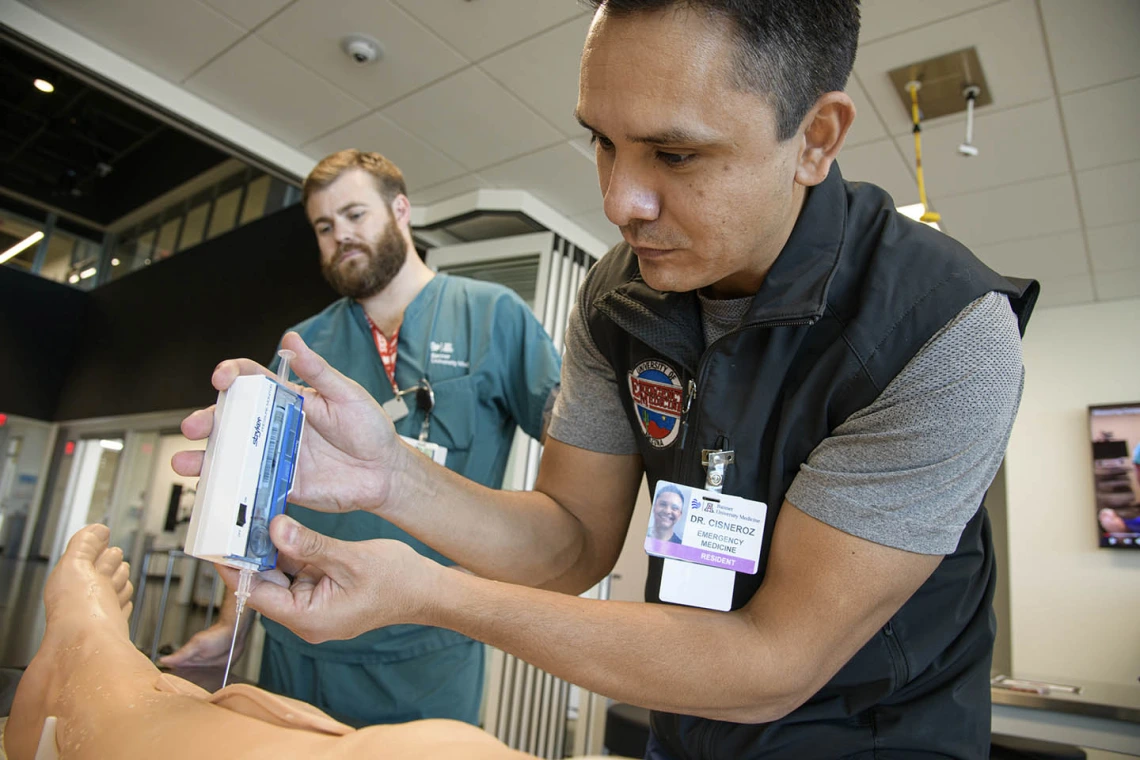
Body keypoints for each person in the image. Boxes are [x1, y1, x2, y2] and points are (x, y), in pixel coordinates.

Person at [174, 1, 1040, 757]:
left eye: (676, 155)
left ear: (814, 139)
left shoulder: (944, 337)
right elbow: (569, 542)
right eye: (602, 141)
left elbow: (771, 663)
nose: (620, 201)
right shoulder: (623, 291)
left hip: (870, 742)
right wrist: (393, 478)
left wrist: (430, 592)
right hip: (686, 726)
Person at [161, 150, 563, 728]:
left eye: (354, 214)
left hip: (425, 655)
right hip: (296, 645)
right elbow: (268, 498)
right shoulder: (305, 343)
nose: (340, 236)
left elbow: (576, 459)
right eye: (324, 227)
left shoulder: (492, 316)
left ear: (400, 209)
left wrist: (514, 565)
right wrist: (235, 622)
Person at [0, 524, 532, 760]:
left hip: (422, 668)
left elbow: (570, 527)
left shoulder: (499, 326)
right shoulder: (307, 342)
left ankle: (87, 672)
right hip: (294, 659)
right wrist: (236, 621)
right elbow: (265, 528)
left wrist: (435, 589)